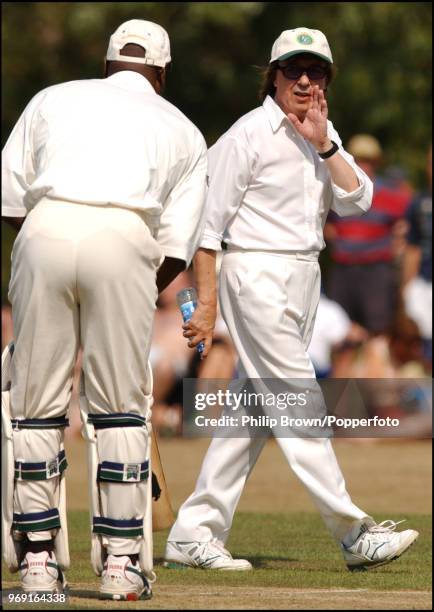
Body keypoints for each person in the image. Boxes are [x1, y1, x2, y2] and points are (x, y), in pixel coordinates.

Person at [164, 27, 418, 572]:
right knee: (299, 400)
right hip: (255, 272)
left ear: (326, 80)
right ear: (273, 75)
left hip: (305, 275)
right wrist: (205, 305)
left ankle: (193, 533)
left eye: (316, 71)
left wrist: (325, 143)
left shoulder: (321, 133)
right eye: (293, 70)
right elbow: (207, 231)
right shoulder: (247, 135)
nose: (304, 80)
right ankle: (355, 535)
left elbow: (359, 201)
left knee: (252, 411)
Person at [1, 19, 207, 600]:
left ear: (108, 62)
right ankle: (120, 565)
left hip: (43, 229)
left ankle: (38, 563)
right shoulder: (184, 129)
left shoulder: (53, 97)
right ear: (162, 72)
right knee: (119, 407)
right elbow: (175, 249)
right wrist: (137, 285)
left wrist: (53, 242)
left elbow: (11, 197)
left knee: (35, 406)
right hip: (126, 238)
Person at [325, 134, 412, 335]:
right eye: (358, 160)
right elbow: (324, 222)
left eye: (369, 161)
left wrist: (400, 239)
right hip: (343, 268)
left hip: (376, 270)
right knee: (340, 330)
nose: (364, 166)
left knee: (378, 328)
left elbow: (409, 222)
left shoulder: (390, 195)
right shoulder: (336, 190)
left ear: (377, 163)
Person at [401, 145, 432, 367]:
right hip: (424, 283)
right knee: (422, 342)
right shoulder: (418, 203)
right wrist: (407, 285)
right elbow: (413, 247)